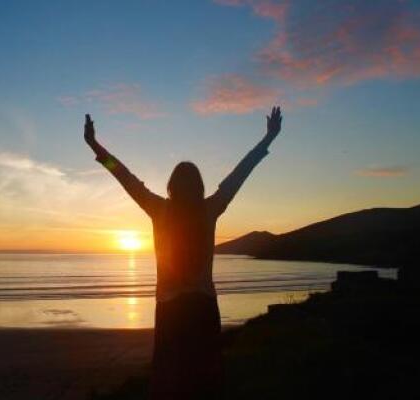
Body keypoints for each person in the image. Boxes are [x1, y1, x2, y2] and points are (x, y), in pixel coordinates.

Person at [84, 107, 283, 399]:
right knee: (204, 380)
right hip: (202, 307)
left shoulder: (160, 209)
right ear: (198, 187)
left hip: (171, 309)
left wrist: (95, 145)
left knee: (170, 379)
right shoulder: (209, 209)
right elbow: (241, 173)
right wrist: (268, 138)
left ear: (172, 186)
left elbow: (124, 177)